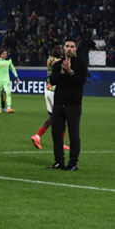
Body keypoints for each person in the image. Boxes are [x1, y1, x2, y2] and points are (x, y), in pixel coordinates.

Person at [47, 39, 87, 171]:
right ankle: (59, 161)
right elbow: (52, 81)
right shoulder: (58, 64)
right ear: (63, 48)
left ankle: (73, 163)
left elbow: (81, 82)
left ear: (75, 49)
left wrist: (70, 71)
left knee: (73, 134)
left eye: (72, 46)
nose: (69, 48)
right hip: (59, 103)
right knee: (56, 133)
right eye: (67, 46)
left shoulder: (81, 64)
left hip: (73, 105)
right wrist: (61, 72)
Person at [31, 45, 69, 151]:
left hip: (48, 90)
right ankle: (38, 136)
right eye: (58, 49)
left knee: (53, 118)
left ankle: (39, 137)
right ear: (52, 51)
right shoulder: (57, 61)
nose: (60, 51)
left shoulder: (49, 59)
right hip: (55, 92)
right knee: (62, 117)